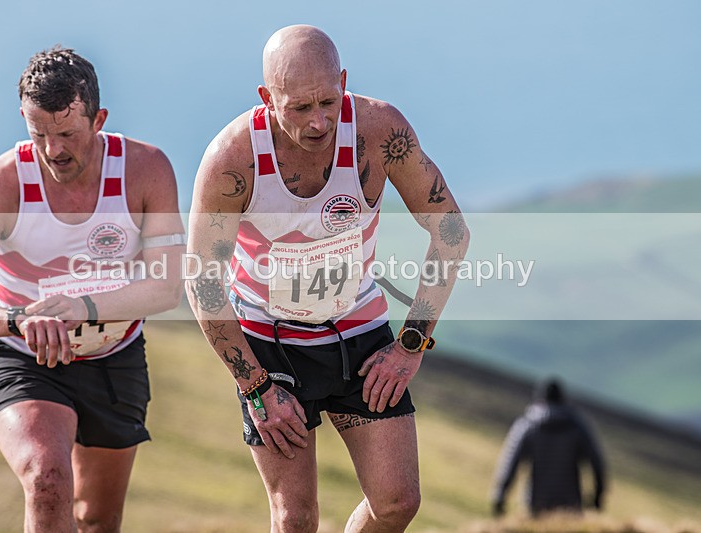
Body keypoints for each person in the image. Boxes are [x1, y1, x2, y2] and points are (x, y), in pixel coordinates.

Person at [186, 25, 469, 531]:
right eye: (298, 108)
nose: (318, 122)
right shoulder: (233, 158)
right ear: (267, 98)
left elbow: (450, 232)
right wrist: (255, 387)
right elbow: (202, 280)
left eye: (329, 101)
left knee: (398, 503)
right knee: (295, 519)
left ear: (343, 81)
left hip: (357, 334)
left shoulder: (380, 132)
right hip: (268, 343)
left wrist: (410, 344)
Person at [0, 46, 185, 532]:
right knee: (47, 481)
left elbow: (166, 287)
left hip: (115, 356)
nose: (53, 151)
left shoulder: (146, 170)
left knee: (98, 520)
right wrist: (19, 320)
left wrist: (81, 307)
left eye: (67, 133)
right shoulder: (1, 184)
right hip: (25, 357)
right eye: (38, 134)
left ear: (99, 118)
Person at [491, 378, 606, 517]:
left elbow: (510, 461)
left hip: (536, 502)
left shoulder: (528, 425)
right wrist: (598, 495)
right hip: (570, 504)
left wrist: (500, 495)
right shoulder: (577, 427)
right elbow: (596, 462)